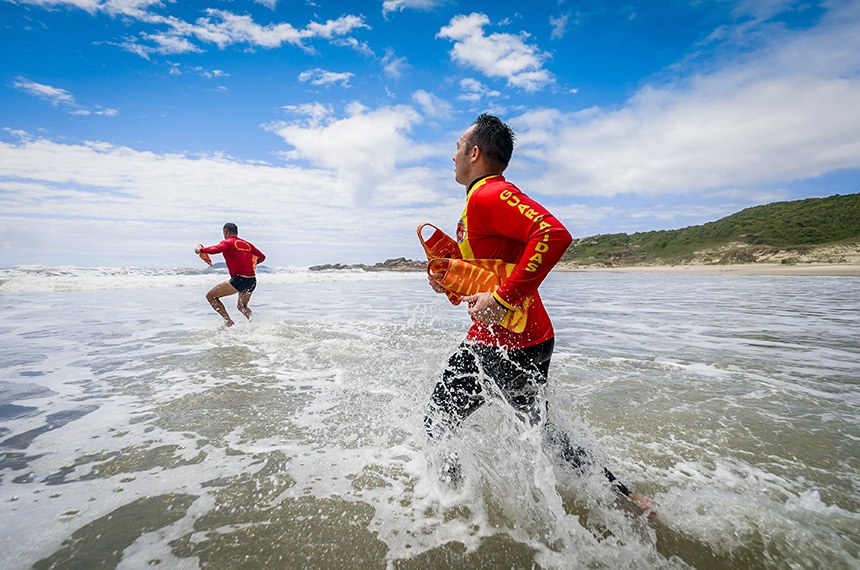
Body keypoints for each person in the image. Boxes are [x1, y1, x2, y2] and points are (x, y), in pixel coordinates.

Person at [424, 114, 656, 513]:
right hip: (524, 338)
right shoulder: (478, 201)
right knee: (540, 431)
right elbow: (494, 268)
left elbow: (553, 234)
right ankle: (628, 498)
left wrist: (502, 300)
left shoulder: (489, 194)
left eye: (458, 147)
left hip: (505, 342)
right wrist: (451, 278)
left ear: (474, 153)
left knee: (438, 420)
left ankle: (447, 507)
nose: (452, 155)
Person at [195, 223, 266, 327]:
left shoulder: (227, 242)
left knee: (210, 296)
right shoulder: (247, 244)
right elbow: (262, 257)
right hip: (252, 281)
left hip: (239, 280)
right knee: (242, 307)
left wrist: (201, 250)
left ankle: (228, 321)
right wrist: (252, 264)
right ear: (236, 232)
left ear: (225, 232)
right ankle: (255, 324)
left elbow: (216, 249)